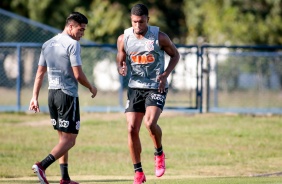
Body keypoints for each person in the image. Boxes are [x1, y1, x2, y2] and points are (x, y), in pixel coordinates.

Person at [29, 12, 97, 184]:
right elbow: (78, 74)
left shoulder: (47, 43)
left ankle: (65, 178)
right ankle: (42, 165)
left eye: (84, 30)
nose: (82, 33)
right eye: (81, 29)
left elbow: (39, 73)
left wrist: (34, 97)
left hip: (52, 94)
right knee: (70, 140)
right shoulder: (73, 44)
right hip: (67, 96)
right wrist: (91, 86)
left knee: (62, 139)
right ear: (71, 26)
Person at [116, 4, 179, 184]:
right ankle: (138, 173)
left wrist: (165, 74)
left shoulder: (159, 37)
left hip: (155, 85)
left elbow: (175, 55)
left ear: (148, 20)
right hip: (135, 87)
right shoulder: (124, 38)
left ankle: (159, 153)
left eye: (141, 22)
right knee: (131, 129)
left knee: (150, 123)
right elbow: (119, 56)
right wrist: (121, 65)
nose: (138, 26)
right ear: (131, 20)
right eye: (135, 22)